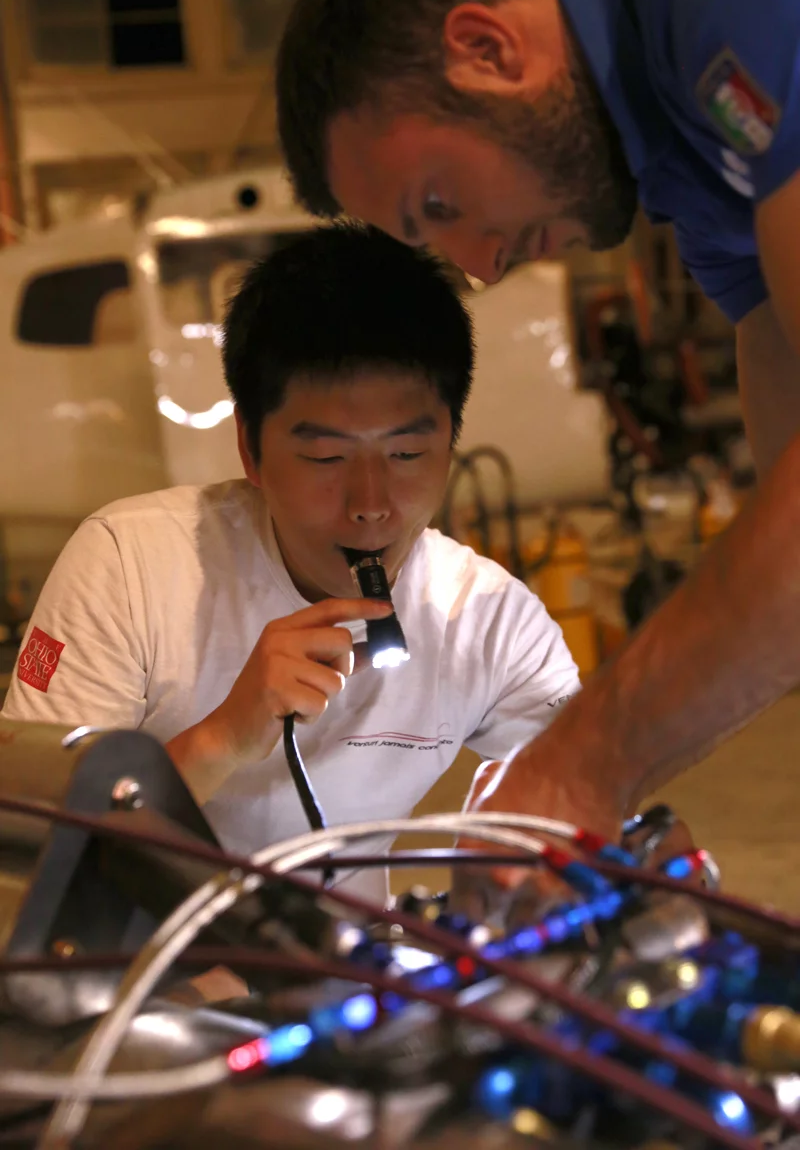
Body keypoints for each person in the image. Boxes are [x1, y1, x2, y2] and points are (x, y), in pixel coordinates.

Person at [274, 0, 800, 854]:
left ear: (486, 49)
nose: (482, 264)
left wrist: (577, 766)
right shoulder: (695, 179)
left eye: (438, 203)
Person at [0, 225, 579, 901]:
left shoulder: (486, 619)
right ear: (249, 447)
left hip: (356, 990)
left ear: (452, 443)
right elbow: (26, 828)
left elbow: (592, 790)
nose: (371, 506)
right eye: (326, 458)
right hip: (148, 986)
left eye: (407, 455)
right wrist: (224, 736)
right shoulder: (131, 565)